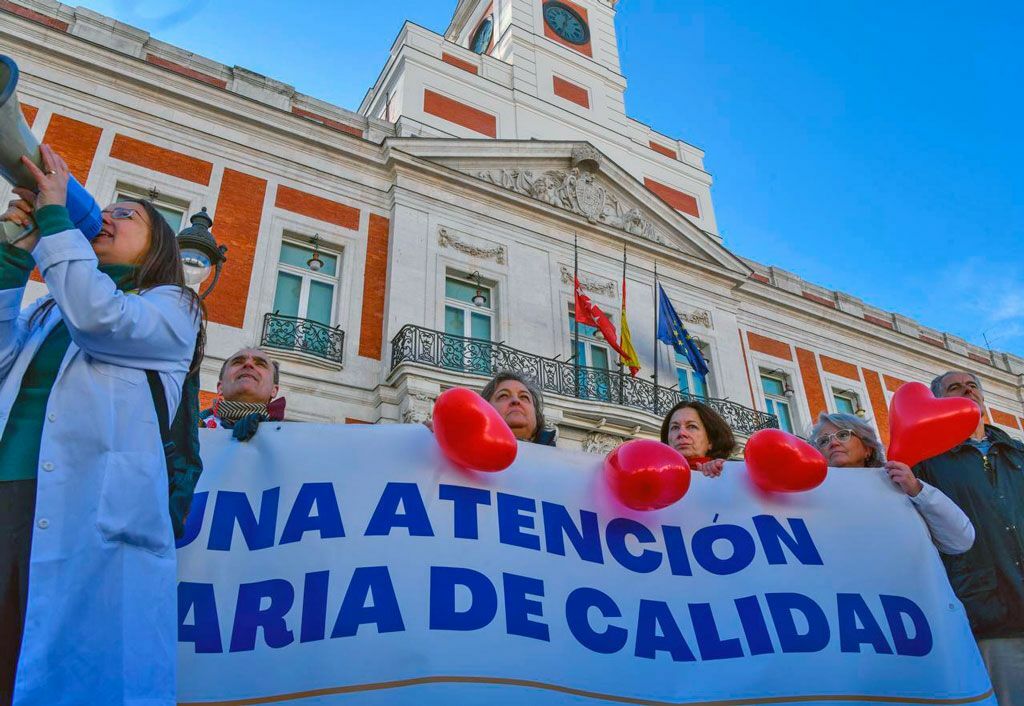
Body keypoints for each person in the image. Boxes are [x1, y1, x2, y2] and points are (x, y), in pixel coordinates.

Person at [0, 145, 203, 705]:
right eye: (104, 210)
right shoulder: (48, 309)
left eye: (127, 215)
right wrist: (13, 261)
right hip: (9, 492)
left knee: (66, 672)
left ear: (157, 247)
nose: (106, 218)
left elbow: (100, 318)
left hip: (82, 511)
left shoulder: (174, 306)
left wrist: (57, 219)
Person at [914, 371, 1024, 703]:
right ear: (938, 403)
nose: (967, 391)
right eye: (955, 388)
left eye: (973, 385)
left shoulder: (1017, 453)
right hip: (990, 611)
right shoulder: (927, 462)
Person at [808, 412, 974, 555]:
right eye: (823, 441)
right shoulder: (811, 495)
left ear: (868, 449)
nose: (833, 443)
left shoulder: (900, 483)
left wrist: (918, 491)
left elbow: (960, 540)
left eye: (843, 435)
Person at [200, 346, 285, 440]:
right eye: (237, 362)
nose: (248, 364)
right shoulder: (187, 427)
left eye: (260, 364)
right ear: (220, 387)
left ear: (274, 390)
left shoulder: (289, 438)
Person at [660, 400, 737, 476]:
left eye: (691, 426)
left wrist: (725, 470)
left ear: (710, 441)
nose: (681, 433)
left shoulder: (728, 473)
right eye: (675, 427)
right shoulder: (656, 476)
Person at [479, 370, 556, 445]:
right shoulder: (469, 456)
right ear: (486, 409)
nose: (515, 400)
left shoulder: (560, 457)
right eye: (503, 396)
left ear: (536, 414)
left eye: (524, 397)